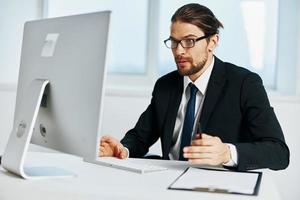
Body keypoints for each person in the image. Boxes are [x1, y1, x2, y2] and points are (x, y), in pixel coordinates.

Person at [99, 3, 289, 171]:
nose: (179, 51)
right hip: (165, 181)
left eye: (189, 41)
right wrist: (121, 149)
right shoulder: (165, 85)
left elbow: (279, 152)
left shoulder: (244, 84)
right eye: (174, 42)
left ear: (212, 42)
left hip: (216, 185)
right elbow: (140, 137)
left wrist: (227, 153)